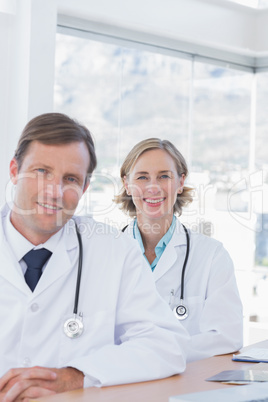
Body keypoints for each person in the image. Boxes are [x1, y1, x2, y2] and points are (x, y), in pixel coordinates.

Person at [0, 115, 190, 402]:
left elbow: (167, 345)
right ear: (15, 171)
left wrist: (77, 376)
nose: (55, 191)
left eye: (71, 179)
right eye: (42, 172)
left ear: (85, 187)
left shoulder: (114, 250)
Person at [115, 138, 243, 362]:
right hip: (119, 385)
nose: (153, 187)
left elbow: (227, 336)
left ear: (181, 181)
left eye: (164, 176)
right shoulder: (106, 254)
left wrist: (154, 353)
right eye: (142, 177)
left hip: (184, 386)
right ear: (127, 183)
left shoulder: (212, 256)